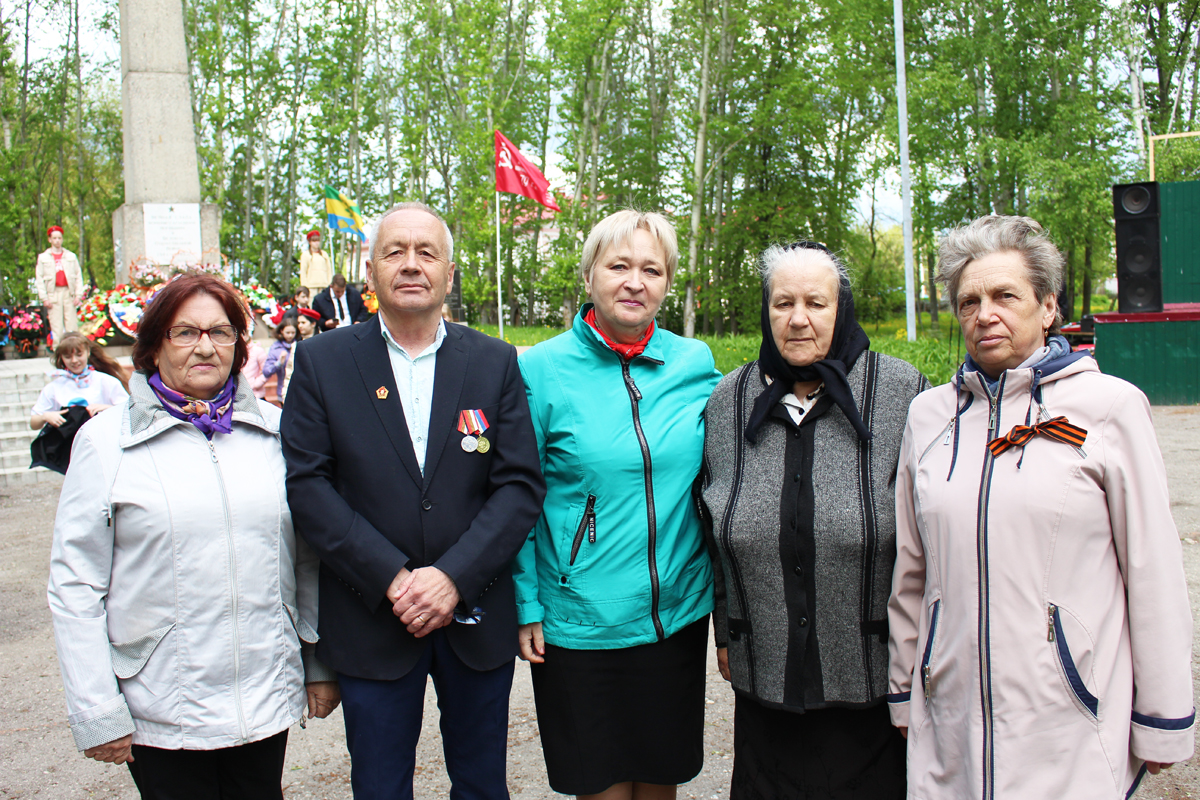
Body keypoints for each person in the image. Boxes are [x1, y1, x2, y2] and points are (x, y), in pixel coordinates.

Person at [888, 216, 1194, 799]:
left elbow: (1152, 571)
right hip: (953, 722)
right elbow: (912, 570)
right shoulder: (928, 417)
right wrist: (906, 684)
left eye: (1006, 295)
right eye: (969, 301)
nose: (985, 314)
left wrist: (1164, 717)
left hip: (1069, 721)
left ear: (1048, 306)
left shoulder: (1110, 407)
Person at [281, 201, 546, 800]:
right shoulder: (323, 362)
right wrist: (393, 579)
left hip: (473, 616)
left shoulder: (495, 361)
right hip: (373, 616)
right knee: (379, 787)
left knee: (482, 786)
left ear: (449, 274)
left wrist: (453, 578)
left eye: (426, 252)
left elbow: (519, 485)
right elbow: (308, 486)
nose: (411, 264)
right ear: (371, 271)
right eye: (394, 251)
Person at [47, 273, 340, 800]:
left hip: (262, 694)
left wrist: (317, 662)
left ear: (239, 344)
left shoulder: (276, 432)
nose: (205, 346)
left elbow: (306, 560)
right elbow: (75, 583)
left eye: (221, 332)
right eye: (185, 332)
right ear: (155, 343)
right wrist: (96, 706)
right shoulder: (105, 443)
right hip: (162, 702)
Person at [701, 241, 926, 799]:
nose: (798, 319)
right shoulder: (728, 401)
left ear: (841, 308)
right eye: (782, 303)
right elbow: (714, 529)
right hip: (765, 690)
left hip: (874, 691)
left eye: (816, 303)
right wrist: (727, 630)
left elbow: (931, 538)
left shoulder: (904, 394)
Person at [514, 209, 721, 800]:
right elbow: (518, 495)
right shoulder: (541, 369)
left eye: (651, 269)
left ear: (667, 282)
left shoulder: (694, 363)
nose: (635, 281)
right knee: (600, 786)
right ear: (589, 277)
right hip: (581, 624)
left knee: (661, 782)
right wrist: (526, 601)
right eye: (619, 265)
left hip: (674, 619)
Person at [29, 332, 130, 473]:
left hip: (104, 447)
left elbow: (130, 411)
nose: (74, 360)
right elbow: (34, 423)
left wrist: (107, 408)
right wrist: (46, 416)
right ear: (61, 358)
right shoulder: (54, 388)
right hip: (71, 452)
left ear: (88, 352)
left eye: (78, 354)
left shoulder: (105, 381)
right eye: (68, 356)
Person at [35, 225, 84, 345]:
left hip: (68, 292)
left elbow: (78, 276)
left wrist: (78, 295)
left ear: (62, 239)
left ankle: (74, 349)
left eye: (59, 238)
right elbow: (39, 279)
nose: (57, 240)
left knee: (71, 325)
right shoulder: (43, 258)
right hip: (53, 293)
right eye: (54, 238)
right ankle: (59, 351)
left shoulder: (71, 256)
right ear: (50, 240)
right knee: (56, 325)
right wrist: (44, 298)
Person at [264, 313, 297, 404]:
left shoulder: (299, 345)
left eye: (293, 333)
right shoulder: (276, 348)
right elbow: (266, 371)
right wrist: (279, 363)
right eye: (287, 333)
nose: (290, 335)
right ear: (281, 331)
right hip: (283, 389)